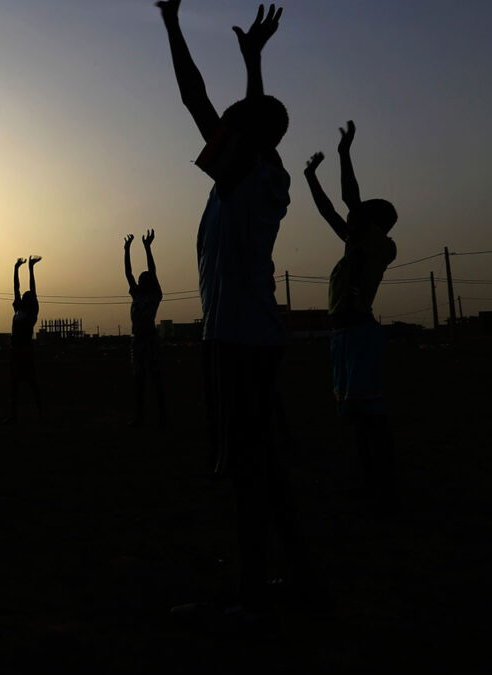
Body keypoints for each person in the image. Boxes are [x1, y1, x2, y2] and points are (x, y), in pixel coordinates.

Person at [157, 1, 319, 624]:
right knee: (262, 467)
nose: (214, 130)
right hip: (248, 338)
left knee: (250, 472)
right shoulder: (257, 174)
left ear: (243, 137)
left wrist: (172, 25)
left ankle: (255, 597)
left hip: (239, 342)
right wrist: (253, 63)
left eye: (228, 126)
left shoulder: (248, 174)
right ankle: (292, 580)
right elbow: (242, 120)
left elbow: (195, 98)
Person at [304, 120, 400, 507]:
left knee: (368, 417)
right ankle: (372, 480)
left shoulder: (378, 244)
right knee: (357, 417)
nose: (351, 217)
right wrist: (310, 178)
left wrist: (344, 154)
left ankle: (379, 484)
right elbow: (331, 209)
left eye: (359, 214)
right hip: (345, 336)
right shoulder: (356, 243)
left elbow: (347, 199)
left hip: (358, 334)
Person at [123, 231, 166, 426]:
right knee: (139, 379)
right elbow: (128, 273)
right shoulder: (138, 295)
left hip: (149, 339)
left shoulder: (154, 295)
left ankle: (162, 416)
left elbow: (152, 270)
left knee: (155, 379)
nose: (139, 280)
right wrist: (127, 249)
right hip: (139, 340)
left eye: (143, 279)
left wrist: (148, 248)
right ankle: (140, 416)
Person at [9, 255, 42, 423]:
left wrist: (30, 268)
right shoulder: (19, 309)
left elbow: (32, 289)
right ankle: (13, 416)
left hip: (26, 352)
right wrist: (16, 268)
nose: (22, 296)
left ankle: (41, 415)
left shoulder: (31, 312)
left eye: (26, 296)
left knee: (33, 385)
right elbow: (17, 287)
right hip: (16, 352)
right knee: (14, 386)